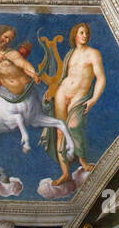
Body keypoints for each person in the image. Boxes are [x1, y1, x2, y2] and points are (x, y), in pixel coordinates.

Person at [43, 22, 105, 184]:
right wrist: (52, 90)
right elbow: (63, 76)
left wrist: (93, 99)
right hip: (63, 92)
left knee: (74, 126)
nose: (84, 36)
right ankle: (65, 174)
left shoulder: (93, 54)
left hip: (80, 95)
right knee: (60, 132)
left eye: (86, 33)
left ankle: (83, 161)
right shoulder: (70, 54)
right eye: (81, 33)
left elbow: (100, 78)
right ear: (75, 35)